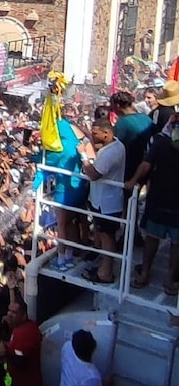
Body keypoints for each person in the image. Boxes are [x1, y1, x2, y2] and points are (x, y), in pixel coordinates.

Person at [128, 113, 179, 294]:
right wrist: (134, 180)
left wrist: (133, 180)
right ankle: (151, 274)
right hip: (159, 199)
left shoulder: (159, 142)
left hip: (164, 200)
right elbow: (146, 165)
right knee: (157, 240)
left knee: (172, 243)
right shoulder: (159, 143)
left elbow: (145, 165)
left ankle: (165, 278)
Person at [78, 118, 125, 285]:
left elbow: (93, 174)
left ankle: (106, 273)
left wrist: (83, 155)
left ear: (106, 134)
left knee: (107, 236)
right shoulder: (115, 145)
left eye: (95, 133)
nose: (93, 136)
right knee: (104, 234)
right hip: (102, 200)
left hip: (107, 203)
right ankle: (103, 267)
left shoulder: (111, 152)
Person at [4, 300, 43, 386]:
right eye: (9, 311)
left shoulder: (25, 332)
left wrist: (5, 352)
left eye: (14, 312)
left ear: (23, 315)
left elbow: (20, 362)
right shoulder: (19, 328)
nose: (10, 314)